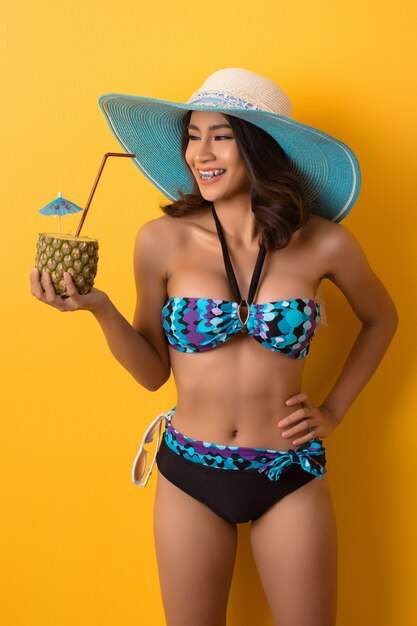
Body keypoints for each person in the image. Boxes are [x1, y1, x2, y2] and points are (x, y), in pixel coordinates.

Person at [30, 68, 398, 626]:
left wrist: (334, 410)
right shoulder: (161, 241)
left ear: (259, 146)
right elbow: (154, 373)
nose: (200, 152)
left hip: (287, 471)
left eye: (221, 135)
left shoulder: (324, 241)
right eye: (193, 136)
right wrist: (100, 310)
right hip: (190, 472)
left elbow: (381, 318)